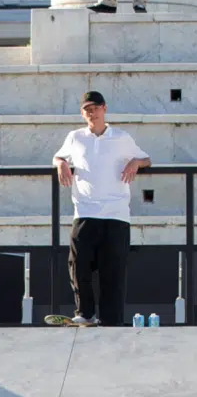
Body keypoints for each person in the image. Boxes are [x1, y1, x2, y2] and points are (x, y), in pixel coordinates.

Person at [53, 91, 151, 326]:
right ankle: (85, 314)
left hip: (116, 214)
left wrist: (135, 162)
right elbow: (58, 156)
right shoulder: (75, 137)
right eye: (87, 109)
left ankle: (111, 321)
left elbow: (146, 158)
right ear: (82, 112)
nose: (91, 112)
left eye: (95, 108)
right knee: (78, 266)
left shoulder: (121, 137)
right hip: (85, 211)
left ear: (104, 109)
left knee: (113, 273)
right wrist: (61, 163)